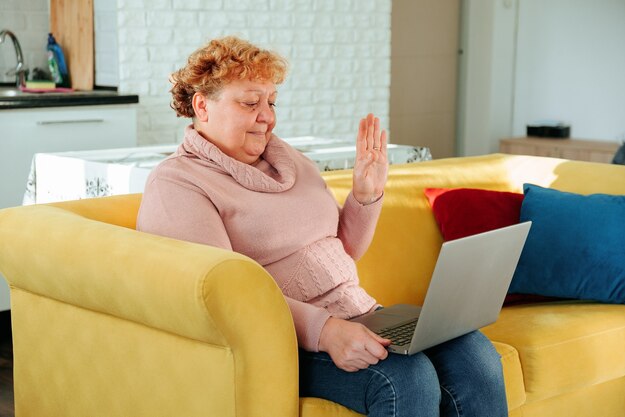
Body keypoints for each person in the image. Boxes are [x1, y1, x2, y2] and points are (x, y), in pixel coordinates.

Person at [137, 36, 508, 417]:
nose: (267, 116)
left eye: (271, 101)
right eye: (250, 103)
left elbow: (341, 251)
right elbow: (225, 298)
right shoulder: (178, 184)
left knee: (475, 356)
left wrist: (365, 195)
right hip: (279, 341)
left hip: (357, 311)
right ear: (202, 106)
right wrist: (325, 330)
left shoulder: (290, 160)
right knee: (406, 378)